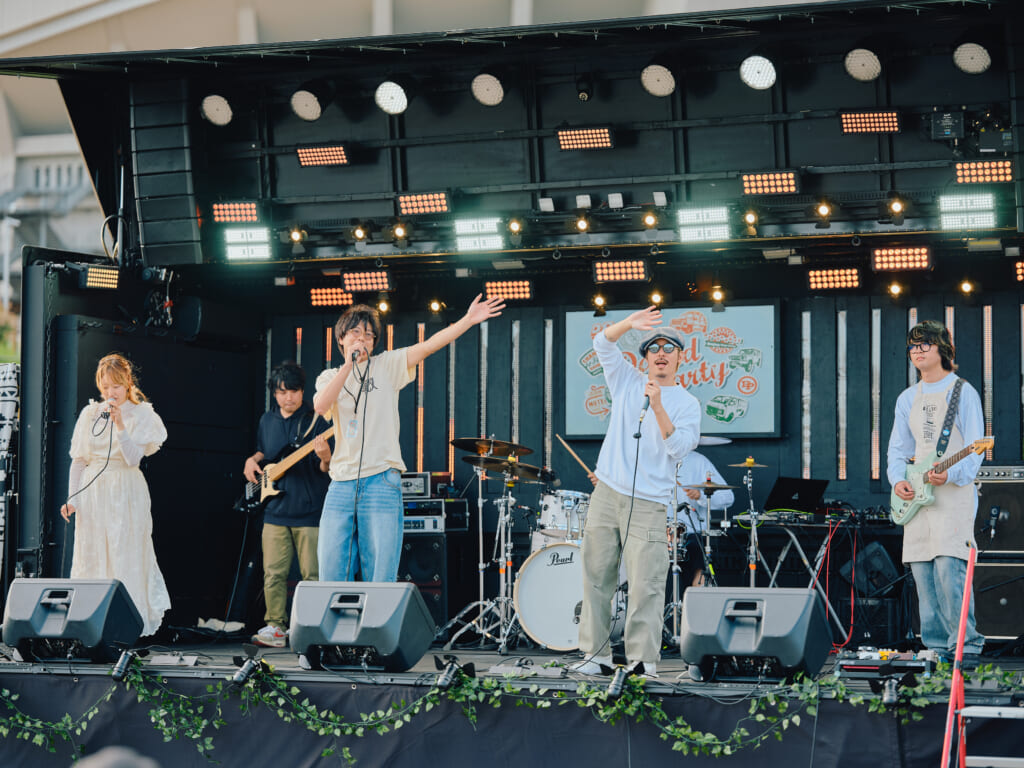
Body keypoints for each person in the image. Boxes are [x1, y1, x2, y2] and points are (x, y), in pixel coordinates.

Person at [314, 293, 504, 582]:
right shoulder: (329, 377)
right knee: (330, 568)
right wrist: (349, 366)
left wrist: (467, 320)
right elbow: (320, 406)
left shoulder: (387, 365)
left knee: (381, 571)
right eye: (355, 333)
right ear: (341, 338)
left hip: (381, 479)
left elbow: (429, 345)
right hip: (341, 482)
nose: (362, 339)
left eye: (368, 335)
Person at [574, 306, 701, 678]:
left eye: (669, 348)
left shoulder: (688, 403)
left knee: (646, 583)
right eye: (653, 348)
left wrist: (658, 406)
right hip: (607, 492)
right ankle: (594, 655)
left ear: (680, 357)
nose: (661, 353)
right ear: (644, 357)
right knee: (596, 577)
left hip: (649, 501)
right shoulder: (626, 380)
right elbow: (602, 343)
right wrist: (629, 323)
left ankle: (642, 661)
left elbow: (679, 448)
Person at [887, 320, 986, 668]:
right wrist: (897, 480)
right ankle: (935, 648)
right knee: (922, 571)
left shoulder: (963, 391)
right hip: (917, 495)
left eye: (924, 344)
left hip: (953, 495)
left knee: (949, 568)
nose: (917, 351)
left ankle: (966, 647)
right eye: (913, 346)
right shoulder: (907, 398)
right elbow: (897, 449)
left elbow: (976, 447)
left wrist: (952, 472)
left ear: (942, 348)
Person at [60, 353, 170, 636]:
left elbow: (133, 459)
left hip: (125, 488)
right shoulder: (90, 414)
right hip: (95, 492)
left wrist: (120, 424)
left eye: (116, 386)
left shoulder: (143, 414)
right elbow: (79, 460)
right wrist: (73, 498)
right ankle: (89, 625)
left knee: (125, 553)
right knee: (92, 554)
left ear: (128, 383)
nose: (111, 392)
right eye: (106, 387)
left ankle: (126, 626)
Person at [243, 362, 332, 648]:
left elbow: (326, 468)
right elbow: (264, 451)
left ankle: (313, 627)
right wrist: (252, 460)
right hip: (274, 510)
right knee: (273, 573)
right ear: (274, 394)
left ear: (302, 391)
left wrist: (326, 457)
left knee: (312, 575)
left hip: (309, 511)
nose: (288, 397)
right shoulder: (266, 420)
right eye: (282, 392)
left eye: (293, 391)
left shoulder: (316, 420)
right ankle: (275, 626)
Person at [670, 451, 734, 589]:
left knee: (698, 550)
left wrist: (701, 496)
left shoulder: (698, 461)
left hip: (694, 534)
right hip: (661, 534)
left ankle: (698, 591)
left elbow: (728, 497)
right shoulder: (649, 459)